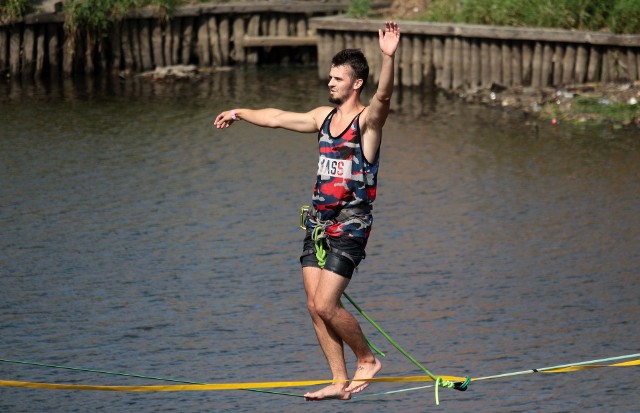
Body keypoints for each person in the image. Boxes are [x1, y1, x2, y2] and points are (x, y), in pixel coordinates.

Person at [214, 21, 400, 401]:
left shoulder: (366, 125)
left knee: (327, 303)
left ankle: (368, 359)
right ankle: (338, 381)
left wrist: (387, 57)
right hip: (318, 226)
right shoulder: (322, 118)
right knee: (314, 308)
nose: (330, 83)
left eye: (338, 78)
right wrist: (239, 111)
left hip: (350, 227)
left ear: (356, 83)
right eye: (330, 77)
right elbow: (279, 117)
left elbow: (383, 98)